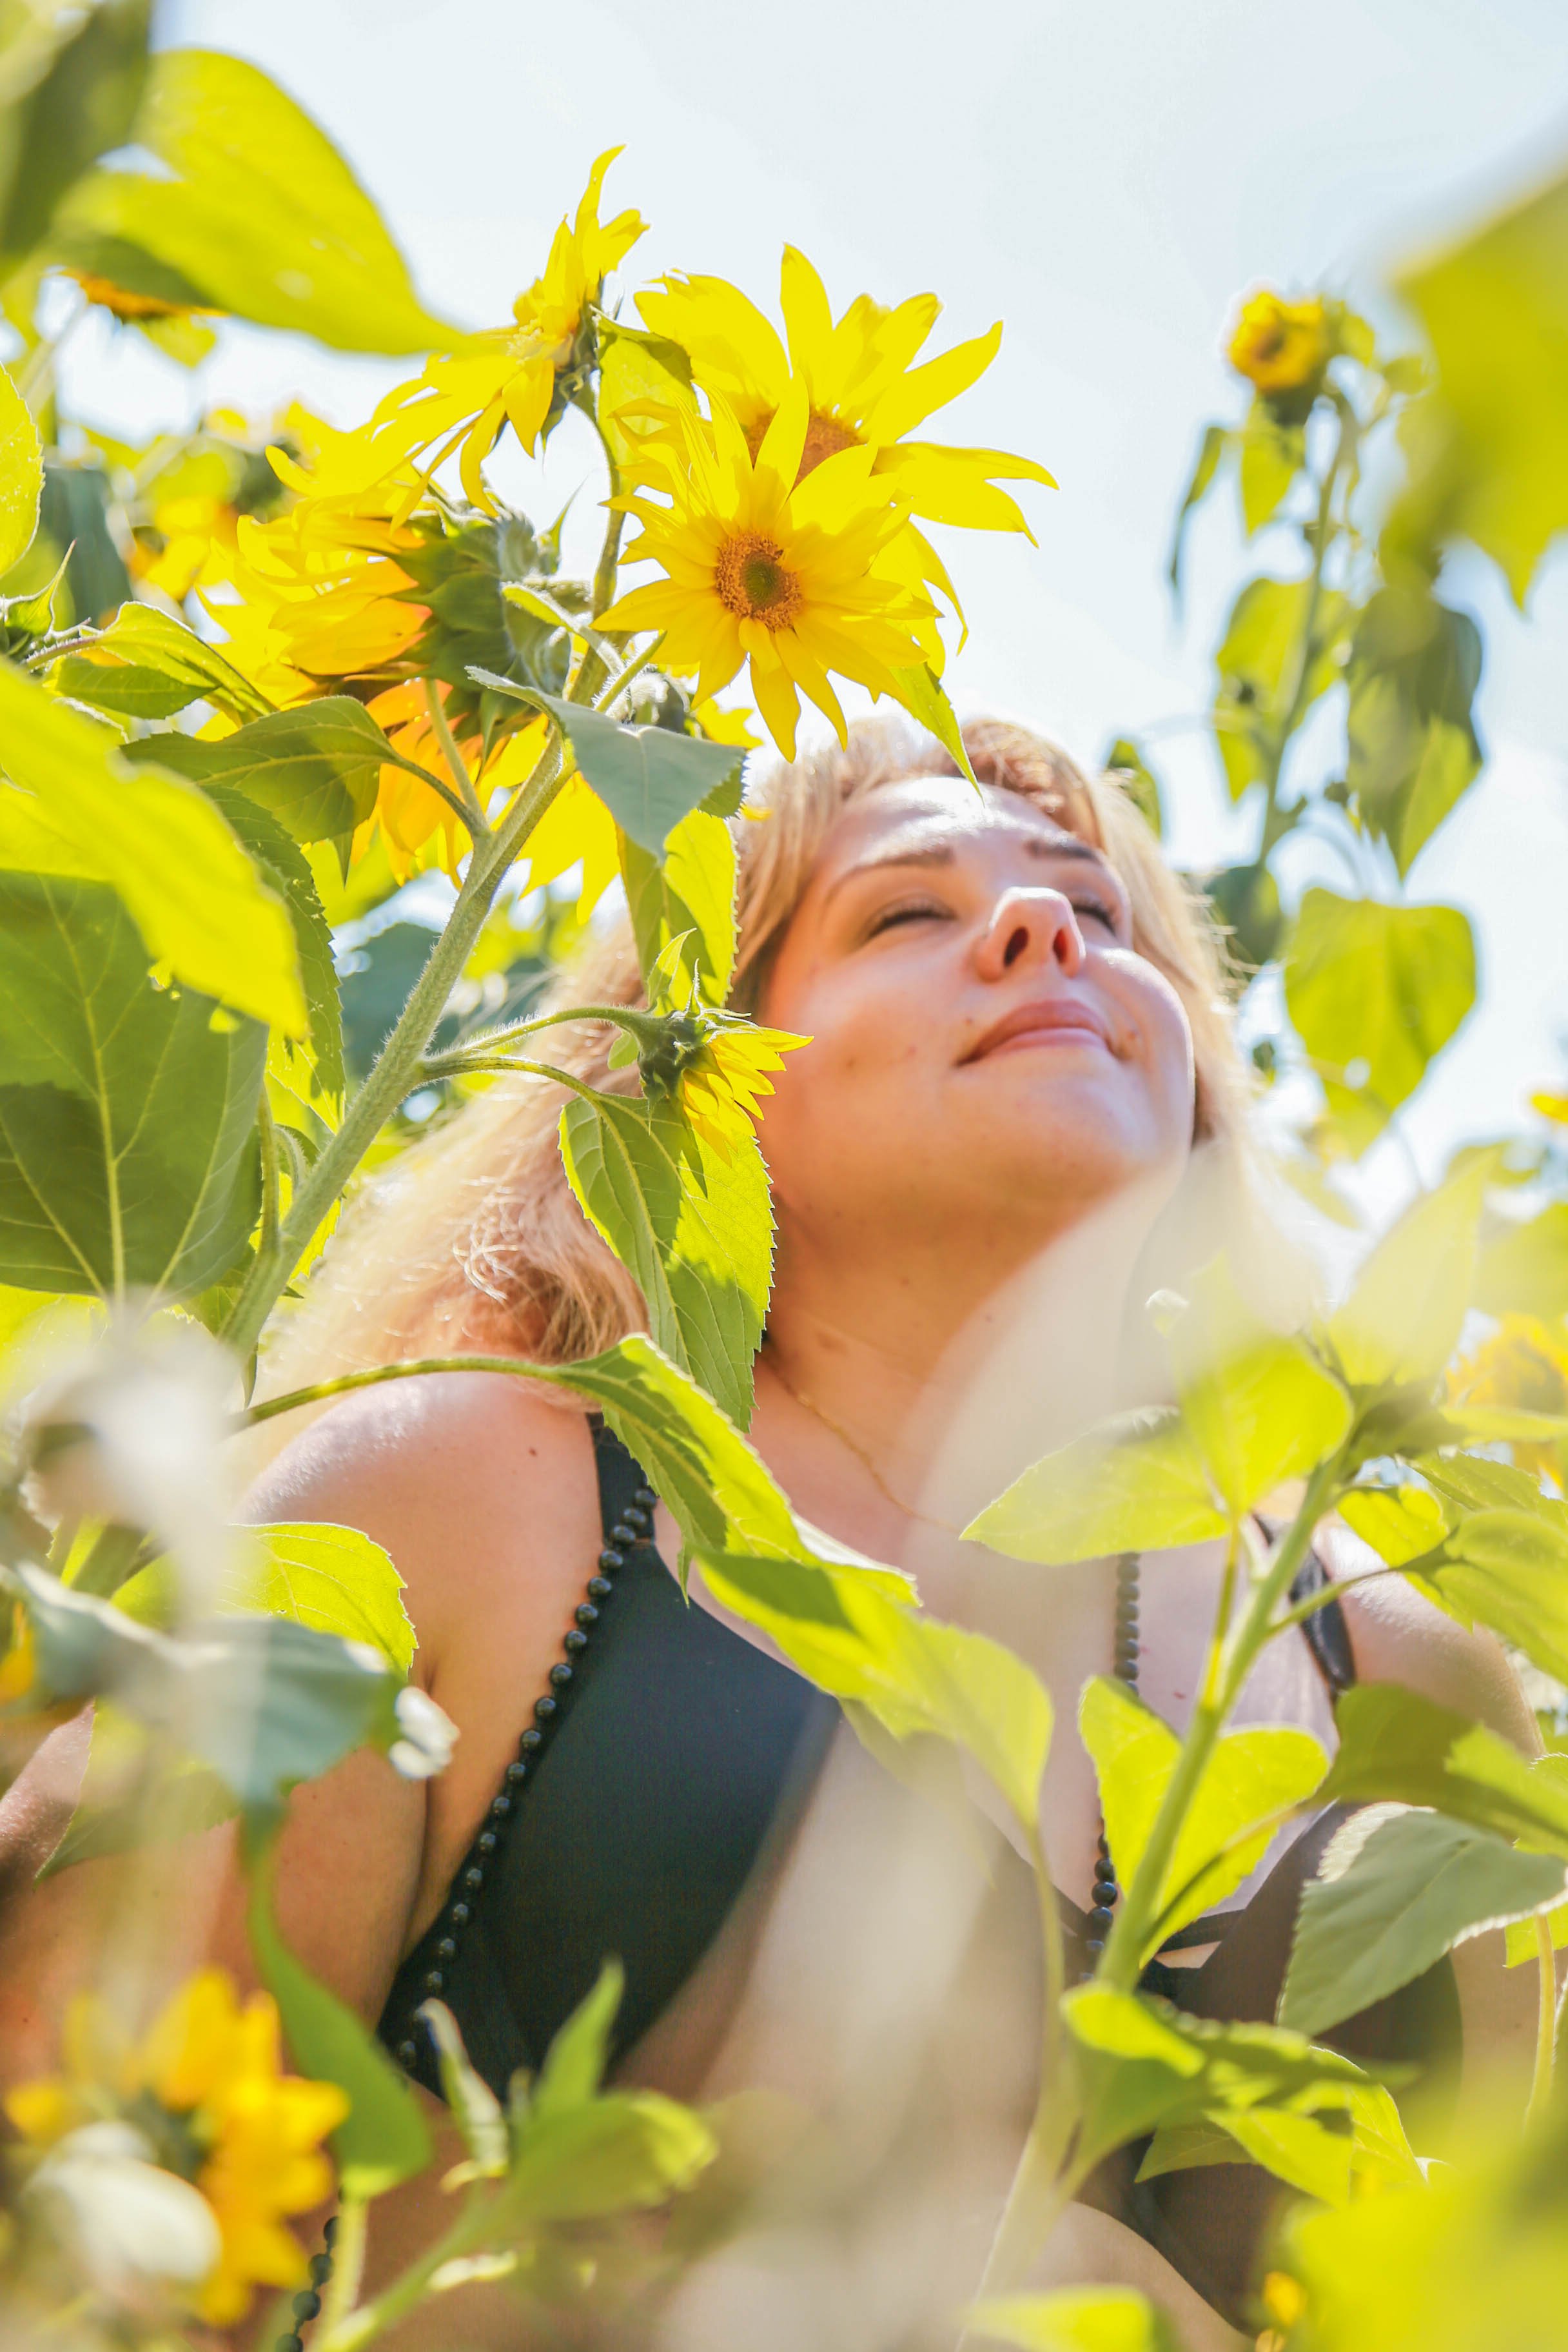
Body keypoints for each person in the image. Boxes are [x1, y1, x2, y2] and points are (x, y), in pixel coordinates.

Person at [0, 720, 1538, 2351]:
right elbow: (80, 2191)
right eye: (904, 914)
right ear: (689, 1071)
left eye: (1101, 913)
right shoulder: (465, 1491)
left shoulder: (1400, 1671)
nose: (1046, 933)